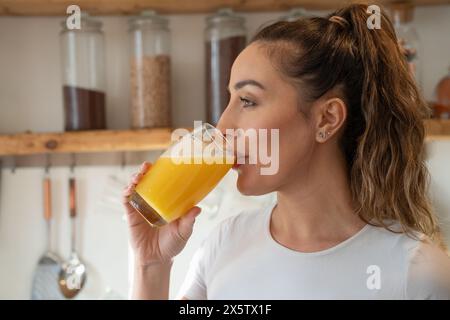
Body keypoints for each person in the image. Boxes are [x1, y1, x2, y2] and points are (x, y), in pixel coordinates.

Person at [122, 4, 450, 299]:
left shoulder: (417, 274)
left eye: (248, 101)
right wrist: (151, 264)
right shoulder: (226, 244)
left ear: (327, 118)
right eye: (230, 101)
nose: (223, 128)